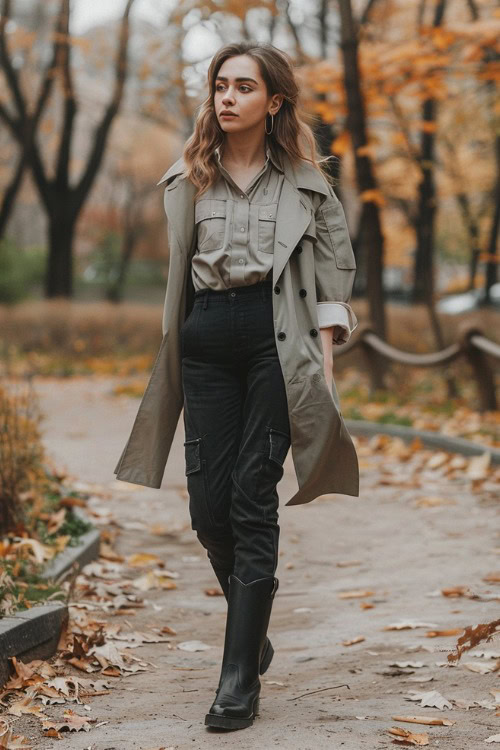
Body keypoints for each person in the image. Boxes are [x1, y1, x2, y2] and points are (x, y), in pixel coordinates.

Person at [114, 40, 359, 731]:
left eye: (244, 87)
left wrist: (325, 358)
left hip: (274, 342)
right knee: (207, 510)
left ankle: (235, 679)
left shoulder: (309, 184)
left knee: (253, 497)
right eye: (220, 84)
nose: (227, 97)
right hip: (205, 343)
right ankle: (252, 635)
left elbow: (336, 278)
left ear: (274, 102)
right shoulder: (189, 177)